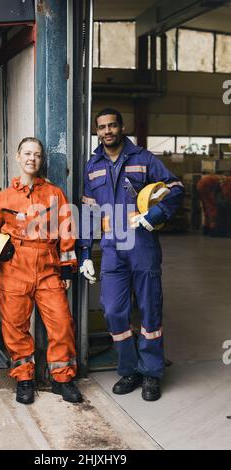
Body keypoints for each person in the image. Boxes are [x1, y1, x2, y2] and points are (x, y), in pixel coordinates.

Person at [79, 109, 184, 401]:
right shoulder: (93, 166)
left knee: (150, 310)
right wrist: (86, 252)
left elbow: (175, 188)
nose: (108, 130)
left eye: (112, 125)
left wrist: (156, 214)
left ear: (121, 127)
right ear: (97, 131)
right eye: (102, 127)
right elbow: (88, 212)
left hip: (142, 246)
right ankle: (129, 369)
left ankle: (151, 373)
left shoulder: (144, 159)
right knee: (113, 311)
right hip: (113, 250)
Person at [0, 137, 82, 404]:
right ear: (18, 158)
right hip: (14, 269)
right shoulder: (4, 197)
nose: (32, 158)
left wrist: (66, 269)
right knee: (15, 326)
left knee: (62, 324)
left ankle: (62, 379)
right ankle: (24, 378)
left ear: (42, 160)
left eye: (38, 155)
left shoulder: (55, 194)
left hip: (48, 267)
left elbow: (66, 231)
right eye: (27, 153)